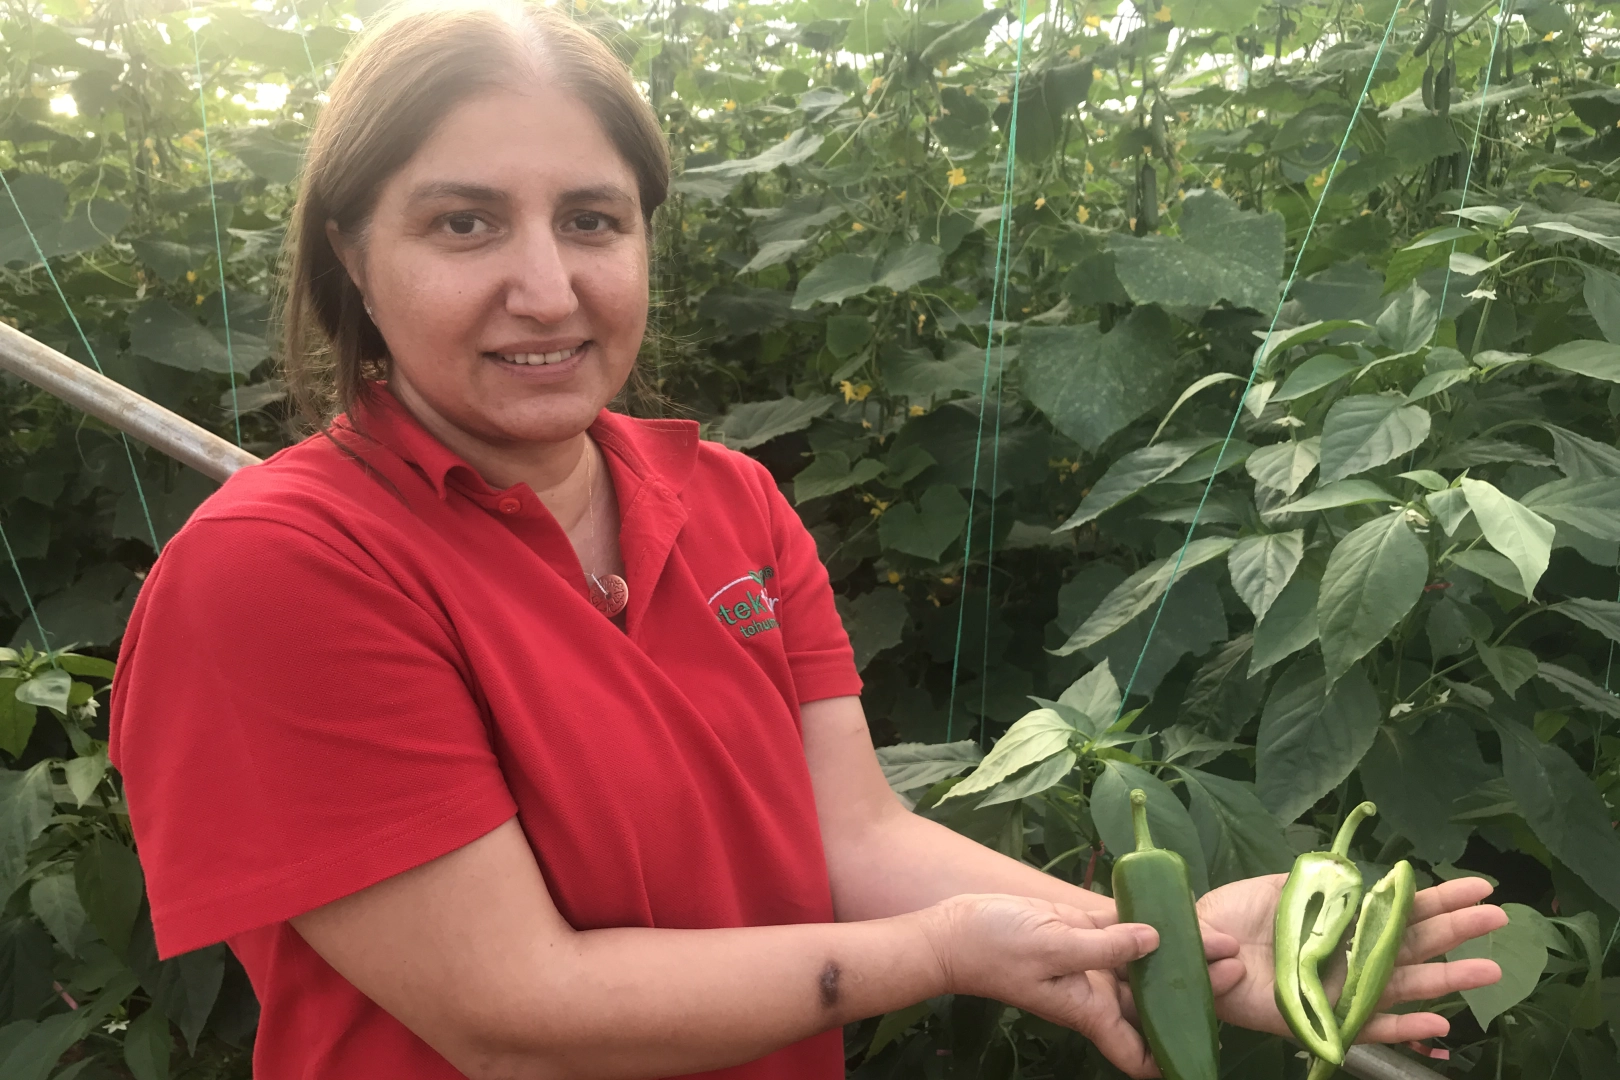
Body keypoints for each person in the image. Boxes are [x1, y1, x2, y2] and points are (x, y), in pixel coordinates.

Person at [108, 3, 1507, 1079]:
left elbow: (852, 833)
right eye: (464, 223)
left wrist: (1164, 946)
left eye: (592, 221)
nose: (546, 287)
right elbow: (514, 1017)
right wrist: (942, 954)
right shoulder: (280, 569)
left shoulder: (728, 502)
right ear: (353, 254)